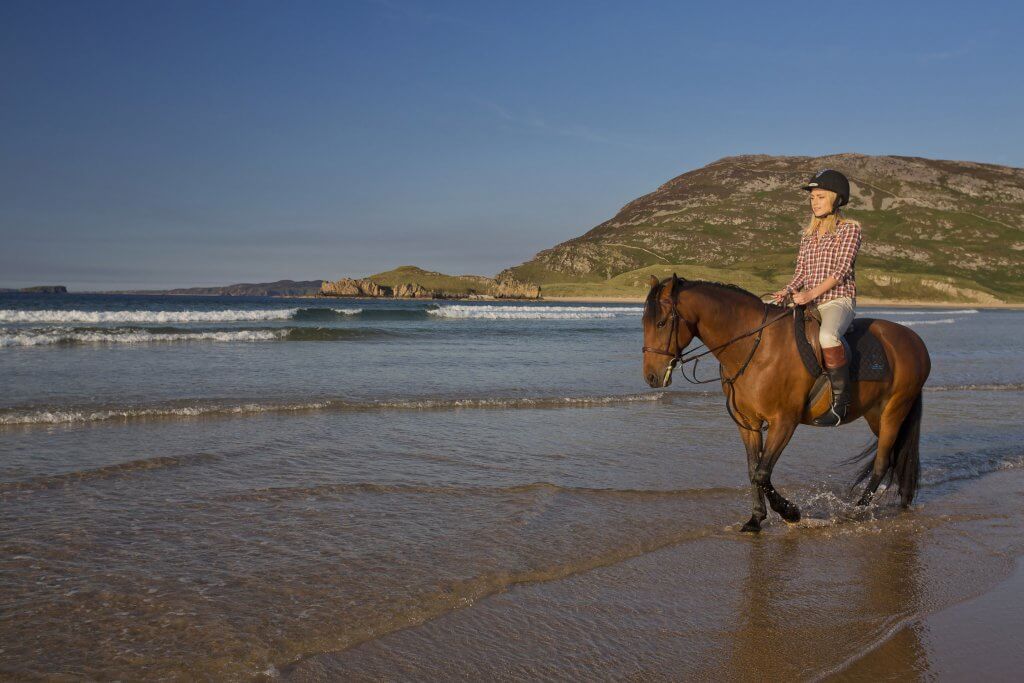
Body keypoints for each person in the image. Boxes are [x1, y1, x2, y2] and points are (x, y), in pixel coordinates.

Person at [772, 169, 862, 425]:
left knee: (827, 336)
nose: (814, 202)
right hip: (809, 302)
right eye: (812, 198)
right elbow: (800, 273)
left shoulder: (849, 230)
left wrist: (810, 293)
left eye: (820, 197)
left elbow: (841, 270)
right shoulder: (808, 235)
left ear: (835, 198)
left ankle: (840, 402)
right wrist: (787, 290)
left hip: (837, 300)